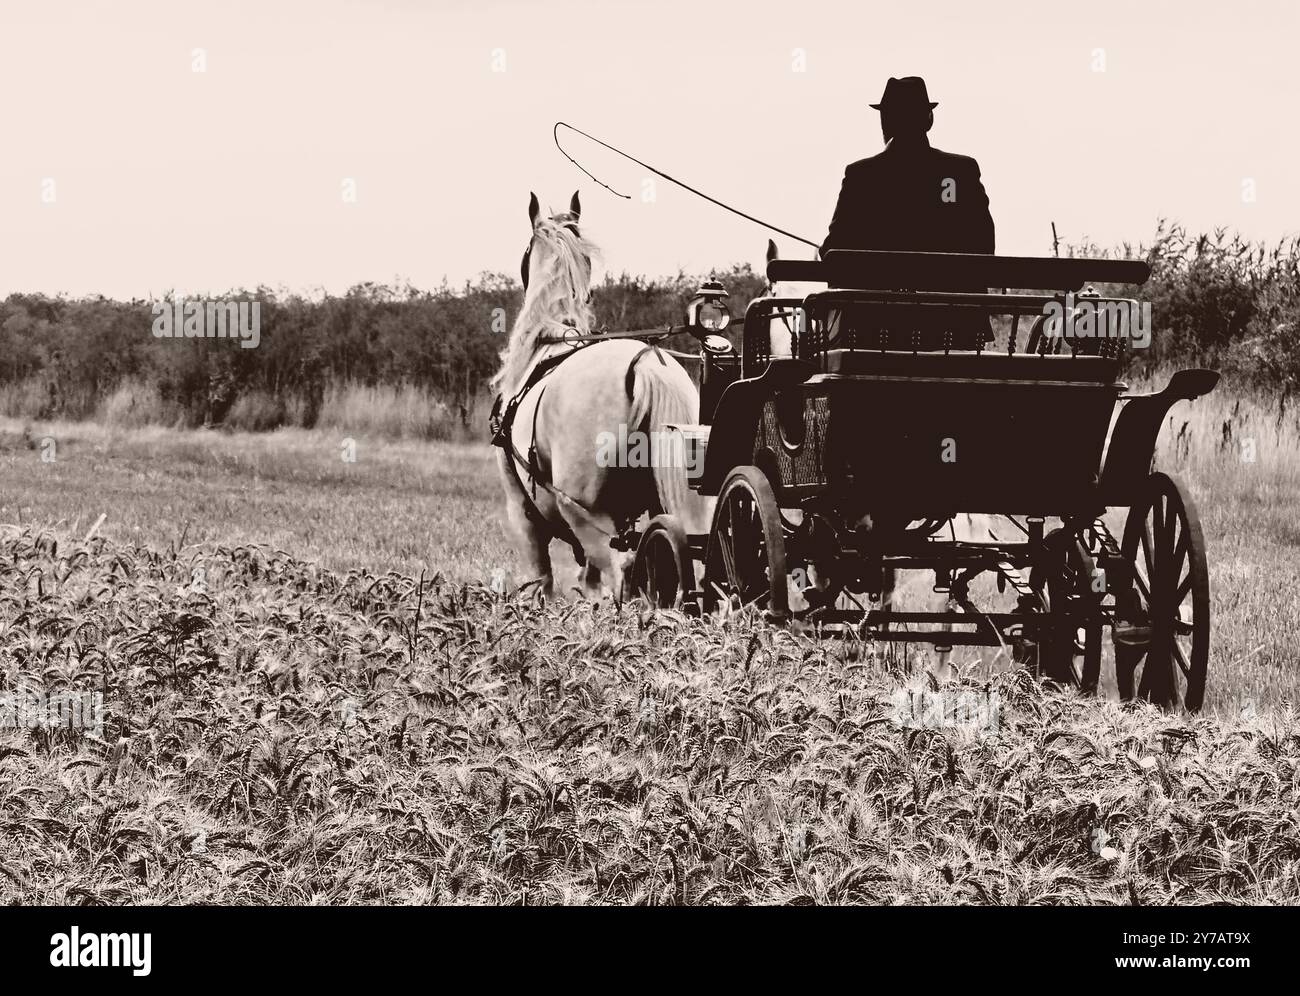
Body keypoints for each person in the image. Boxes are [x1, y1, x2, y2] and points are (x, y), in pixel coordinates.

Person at [822, 76, 995, 348]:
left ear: (885, 122)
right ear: (929, 120)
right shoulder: (961, 172)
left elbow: (834, 254)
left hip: (875, 332)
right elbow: (984, 247)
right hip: (956, 331)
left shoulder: (862, 176)